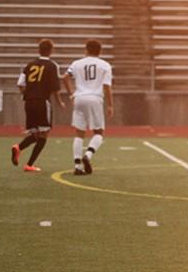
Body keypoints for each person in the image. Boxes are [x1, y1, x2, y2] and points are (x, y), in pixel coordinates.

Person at [10, 39, 65, 172]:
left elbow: (20, 84)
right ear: (51, 50)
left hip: (29, 102)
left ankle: (19, 148)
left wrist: (26, 95)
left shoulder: (30, 65)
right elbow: (55, 88)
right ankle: (29, 164)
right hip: (42, 102)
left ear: (38, 50)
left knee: (35, 134)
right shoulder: (52, 65)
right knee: (44, 133)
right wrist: (59, 102)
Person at [62, 39, 113, 176]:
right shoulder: (105, 65)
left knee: (79, 133)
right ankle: (88, 155)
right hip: (95, 98)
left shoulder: (77, 63)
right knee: (98, 132)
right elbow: (107, 86)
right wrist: (110, 104)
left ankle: (77, 166)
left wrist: (71, 94)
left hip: (79, 98)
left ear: (86, 50)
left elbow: (65, 77)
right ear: (100, 51)